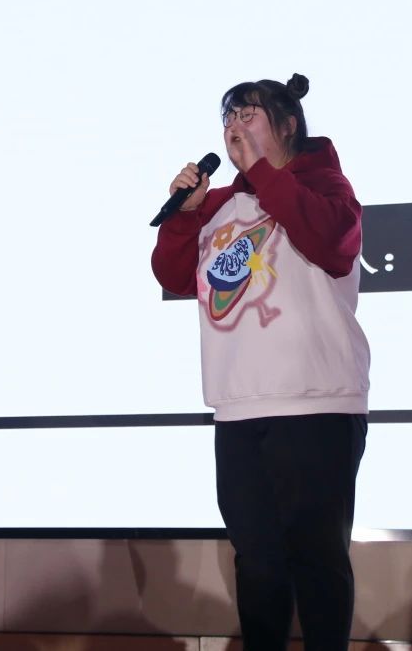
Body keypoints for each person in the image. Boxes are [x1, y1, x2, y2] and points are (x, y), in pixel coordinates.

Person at [151, 74, 370, 651]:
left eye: (249, 115)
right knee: (257, 564)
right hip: (237, 407)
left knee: (318, 561)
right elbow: (174, 276)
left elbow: (334, 240)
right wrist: (185, 216)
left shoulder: (325, 185)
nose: (234, 127)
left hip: (317, 403)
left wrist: (266, 176)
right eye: (228, 118)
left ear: (288, 125)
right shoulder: (221, 204)